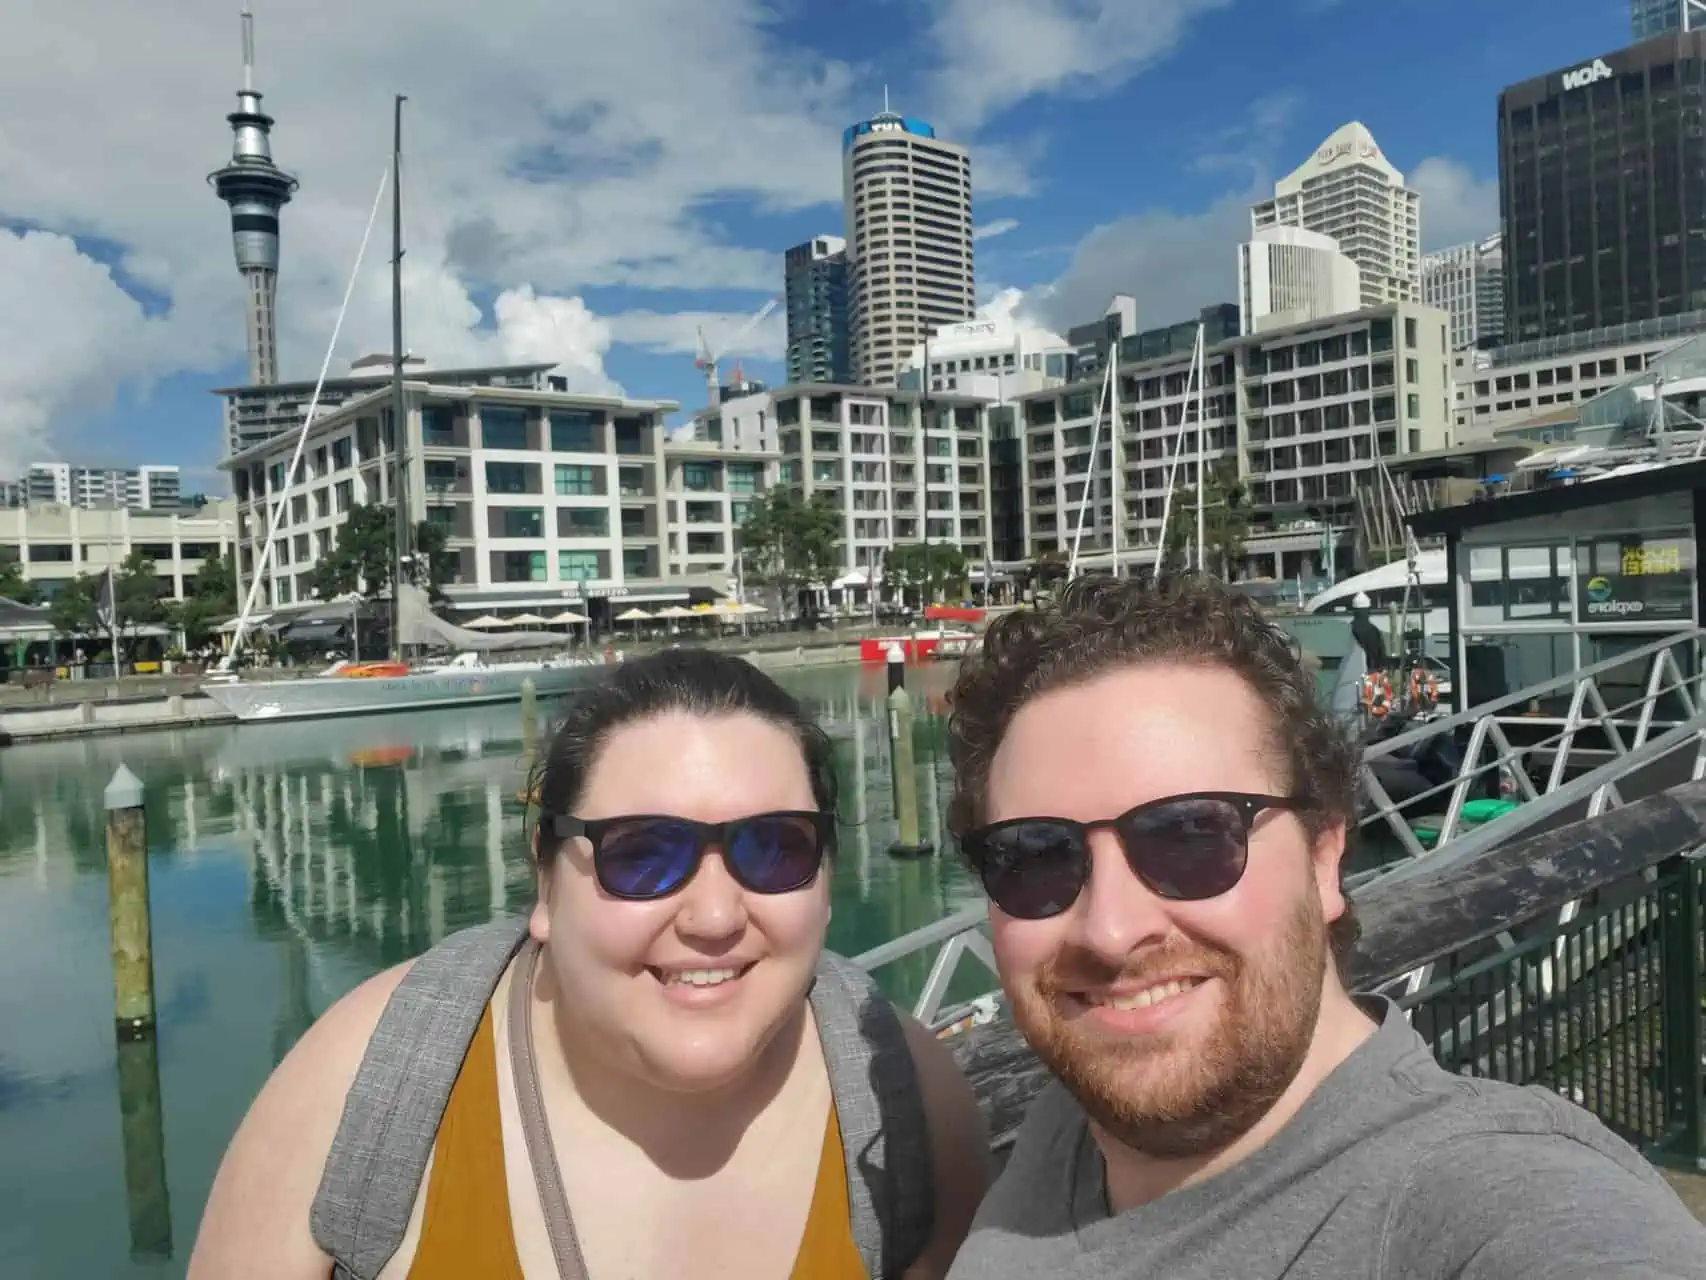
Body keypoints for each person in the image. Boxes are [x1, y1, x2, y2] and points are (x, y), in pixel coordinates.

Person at [939, 573, 1706, 1279]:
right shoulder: (1074, 1120)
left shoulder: (1490, 1204)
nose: (1107, 931)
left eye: (1191, 836)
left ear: (1324, 858)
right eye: (1034, 857)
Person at [190, 648, 989, 1279]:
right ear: (545, 880)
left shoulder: (905, 1099)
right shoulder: (370, 1079)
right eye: (643, 854)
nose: (714, 917)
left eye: (775, 848)